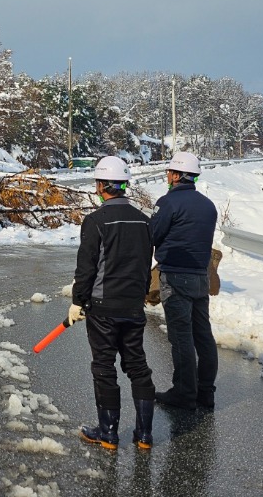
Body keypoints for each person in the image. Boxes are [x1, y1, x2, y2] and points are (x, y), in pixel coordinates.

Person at [71, 156, 157, 450]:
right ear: (123, 185)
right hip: (133, 307)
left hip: (103, 309)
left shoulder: (95, 221)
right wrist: (140, 296)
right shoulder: (145, 222)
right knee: (138, 366)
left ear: (100, 186)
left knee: (104, 367)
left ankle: (108, 433)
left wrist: (77, 301)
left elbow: (87, 269)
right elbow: (145, 266)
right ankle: (144, 435)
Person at [149, 151, 219, 410]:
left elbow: (153, 235)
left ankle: (184, 394)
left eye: (169, 172)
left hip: (175, 277)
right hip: (201, 277)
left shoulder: (168, 203)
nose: (167, 176)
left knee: (181, 338)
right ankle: (206, 392)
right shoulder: (208, 205)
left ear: (177, 175)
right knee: (203, 336)